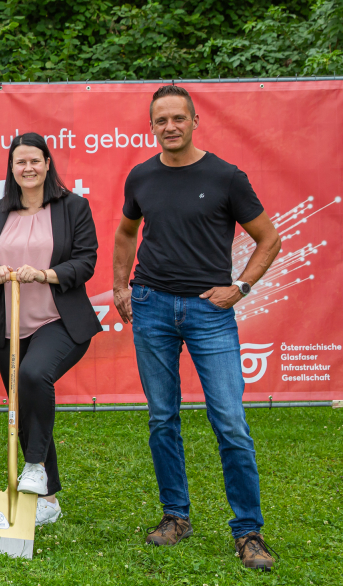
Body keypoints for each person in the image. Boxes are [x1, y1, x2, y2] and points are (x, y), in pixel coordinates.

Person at [113, 85, 281, 570]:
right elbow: (126, 232)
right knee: (162, 417)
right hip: (150, 307)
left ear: (194, 121)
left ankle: (248, 531)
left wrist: (241, 287)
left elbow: (269, 238)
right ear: (152, 125)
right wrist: (121, 286)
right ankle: (175, 516)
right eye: (160, 120)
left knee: (229, 420)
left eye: (177, 118)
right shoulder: (141, 176)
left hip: (210, 313)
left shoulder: (227, 176)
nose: (169, 127)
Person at [0, 132, 101, 527]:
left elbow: (86, 261)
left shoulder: (73, 207)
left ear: (48, 164)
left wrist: (46, 274)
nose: (27, 168)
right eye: (19, 162)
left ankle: (33, 466)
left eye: (35, 160)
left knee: (33, 375)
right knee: (25, 403)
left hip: (59, 320)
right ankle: (46, 496)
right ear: (11, 169)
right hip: (10, 326)